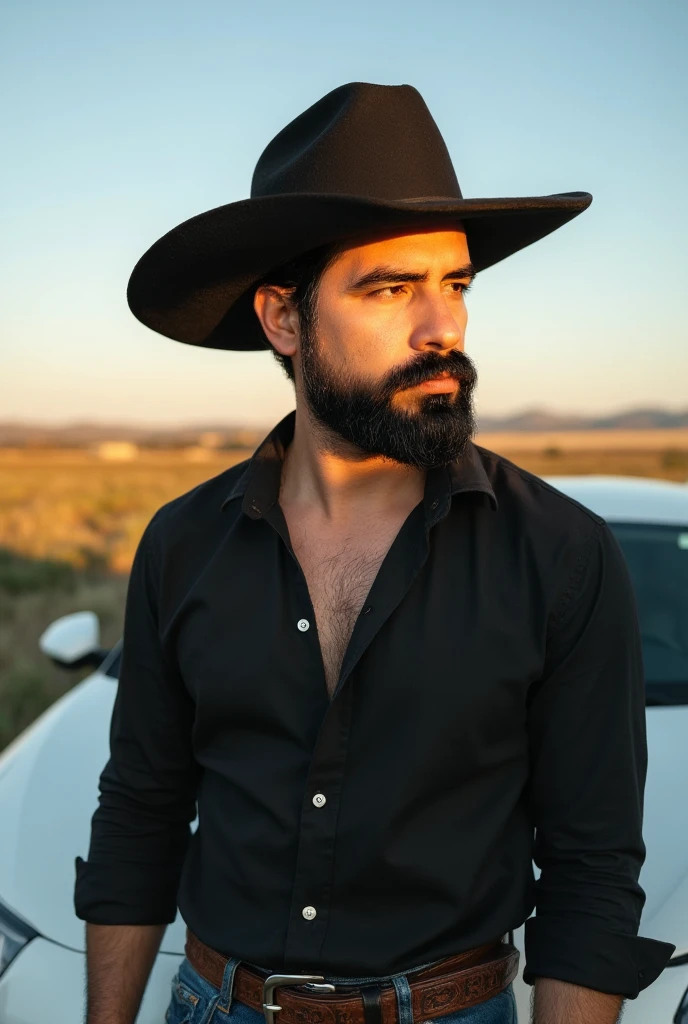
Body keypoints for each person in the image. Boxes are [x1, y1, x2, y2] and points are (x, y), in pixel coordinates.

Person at [74, 82, 675, 1024]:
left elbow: (592, 872)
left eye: (457, 283)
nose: (444, 328)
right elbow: (139, 818)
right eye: (391, 288)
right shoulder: (183, 545)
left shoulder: (561, 555)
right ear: (283, 319)